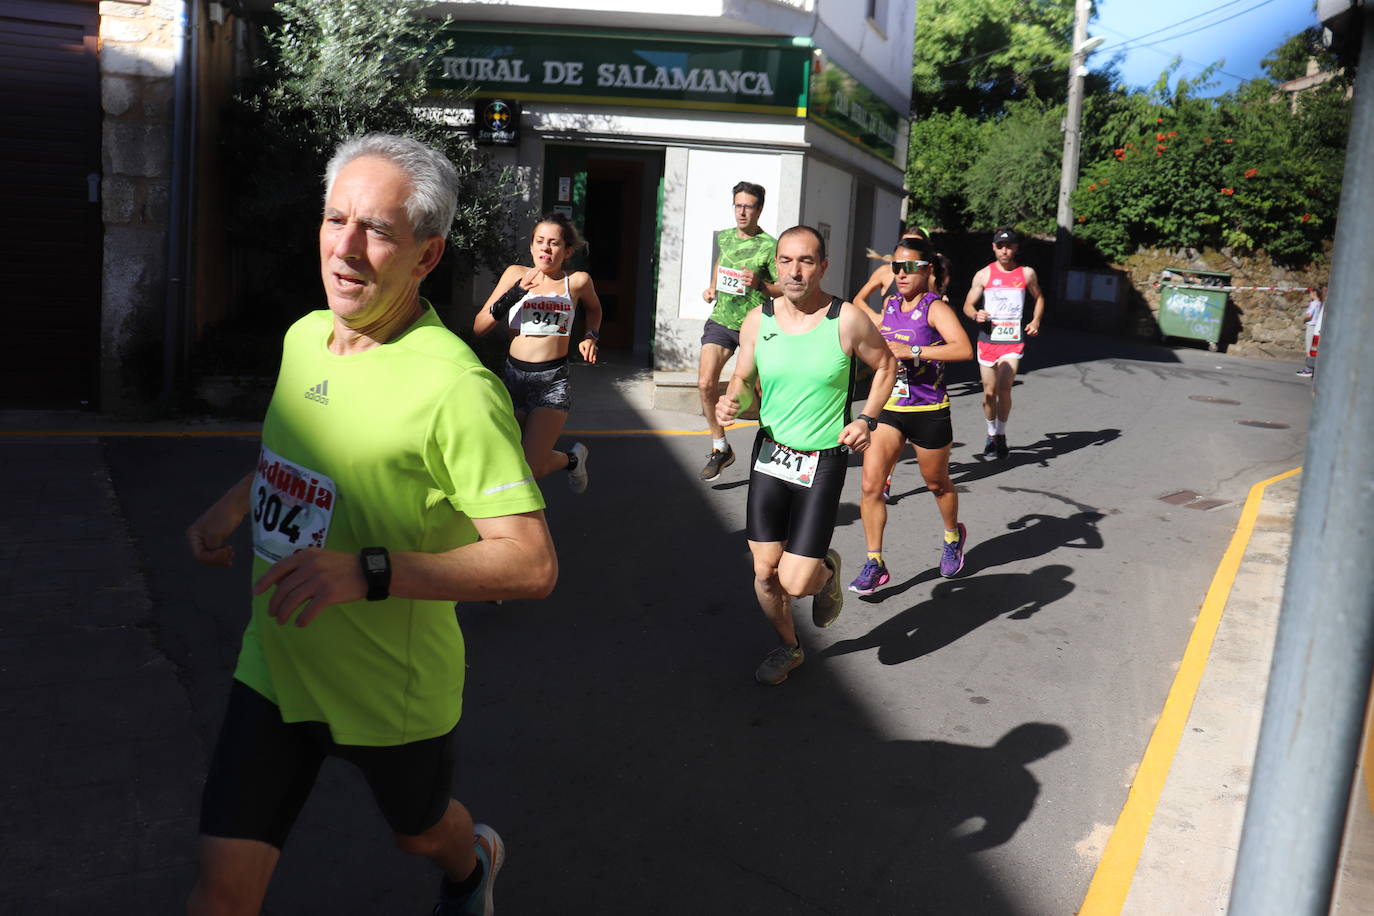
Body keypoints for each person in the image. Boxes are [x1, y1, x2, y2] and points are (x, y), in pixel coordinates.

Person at [183, 134, 557, 916]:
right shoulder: (302, 338)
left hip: (392, 692)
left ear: (425, 256)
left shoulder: (455, 387)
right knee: (221, 896)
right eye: (335, 220)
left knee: (422, 836)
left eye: (378, 230)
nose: (345, 248)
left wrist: (368, 571)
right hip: (276, 663)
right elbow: (304, 460)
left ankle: (474, 862)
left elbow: (529, 564)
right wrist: (230, 506)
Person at [716, 225, 896, 685]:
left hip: (823, 458)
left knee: (796, 582)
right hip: (771, 454)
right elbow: (743, 378)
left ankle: (825, 569)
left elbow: (887, 365)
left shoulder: (847, 319)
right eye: (787, 260)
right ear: (775, 264)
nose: (795, 271)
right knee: (763, 571)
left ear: (823, 267)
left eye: (807, 261)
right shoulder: (758, 320)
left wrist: (867, 420)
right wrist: (733, 399)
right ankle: (790, 647)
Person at [849, 236, 974, 595]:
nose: (901, 274)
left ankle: (953, 536)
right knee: (872, 485)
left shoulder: (936, 308)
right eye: (896, 267)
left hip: (929, 409)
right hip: (890, 408)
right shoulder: (889, 305)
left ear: (927, 270)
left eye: (910, 267)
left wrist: (914, 350)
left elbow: (963, 348)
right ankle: (874, 562)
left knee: (936, 483)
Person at [474, 212, 602, 493]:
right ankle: (571, 459)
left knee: (529, 469)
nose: (546, 247)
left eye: (554, 243)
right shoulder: (515, 275)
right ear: (531, 246)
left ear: (567, 251)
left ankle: (569, 461)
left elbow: (594, 309)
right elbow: (479, 327)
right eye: (540, 241)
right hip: (512, 379)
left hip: (552, 382)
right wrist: (514, 294)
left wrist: (590, 335)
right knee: (504, 461)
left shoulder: (577, 281)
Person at [697, 181, 781, 481]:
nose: (742, 212)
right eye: (738, 205)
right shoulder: (726, 238)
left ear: (759, 209)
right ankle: (720, 447)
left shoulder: (771, 246)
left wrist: (759, 284)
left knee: (759, 392)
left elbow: (782, 289)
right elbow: (722, 264)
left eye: (748, 206)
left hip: (754, 325)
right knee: (706, 383)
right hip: (721, 320)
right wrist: (711, 287)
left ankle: (776, 446)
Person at [961, 226, 1046, 459]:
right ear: (993, 247)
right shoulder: (984, 275)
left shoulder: (1026, 274)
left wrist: (1036, 320)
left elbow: (1039, 298)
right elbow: (967, 305)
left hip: (1012, 339)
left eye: (1009, 246)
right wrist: (975, 314)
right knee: (989, 392)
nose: (1004, 250)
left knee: (1004, 388)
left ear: (1016, 248)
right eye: (1000, 246)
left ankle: (1000, 434)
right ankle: (990, 432)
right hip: (988, 339)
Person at [1298, 284, 1325, 377]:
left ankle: (1308, 369)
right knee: (1314, 347)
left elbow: (1309, 316)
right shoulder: (1320, 303)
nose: (1309, 294)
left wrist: (1303, 320)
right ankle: (1311, 368)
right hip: (1316, 326)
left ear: (1313, 293)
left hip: (1311, 326)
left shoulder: (1313, 303)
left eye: (1310, 293)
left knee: (1308, 348)